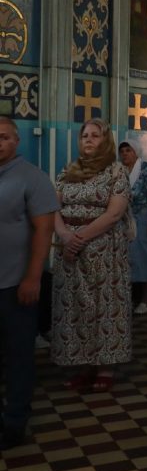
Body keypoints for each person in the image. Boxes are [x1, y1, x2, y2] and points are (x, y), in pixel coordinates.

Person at [52, 119, 132, 393]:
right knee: (75, 308)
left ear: (105, 140)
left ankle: (106, 367)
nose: (88, 139)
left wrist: (80, 237)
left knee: (103, 307)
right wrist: (65, 235)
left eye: (95, 135)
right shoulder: (68, 171)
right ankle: (83, 365)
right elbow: (53, 206)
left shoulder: (116, 171)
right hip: (69, 252)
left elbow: (114, 213)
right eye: (84, 135)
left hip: (104, 251)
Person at [0, 117, 58, 448]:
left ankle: (15, 421)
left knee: (19, 355)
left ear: (16, 140)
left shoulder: (32, 178)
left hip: (16, 284)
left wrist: (33, 277)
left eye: (4, 137)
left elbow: (43, 230)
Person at [118, 141, 147, 315]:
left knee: (145, 257)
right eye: (122, 151)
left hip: (143, 219)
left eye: (128, 150)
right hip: (122, 221)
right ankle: (126, 299)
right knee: (124, 259)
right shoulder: (119, 171)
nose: (125, 154)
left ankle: (146, 299)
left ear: (136, 152)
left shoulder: (146, 169)